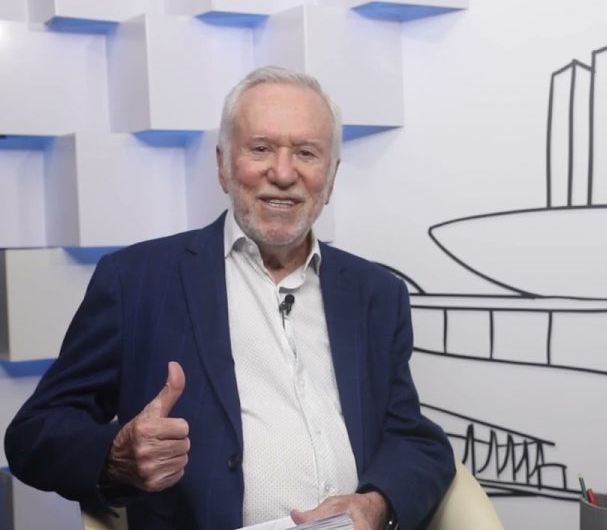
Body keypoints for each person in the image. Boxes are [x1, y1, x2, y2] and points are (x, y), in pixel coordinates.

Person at [4, 66, 455, 530]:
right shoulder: (136, 281)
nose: (283, 173)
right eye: (261, 149)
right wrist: (116, 456)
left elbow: (412, 436)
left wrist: (376, 504)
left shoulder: (376, 293)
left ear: (332, 177)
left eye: (306, 153)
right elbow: (34, 434)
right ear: (222, 165)